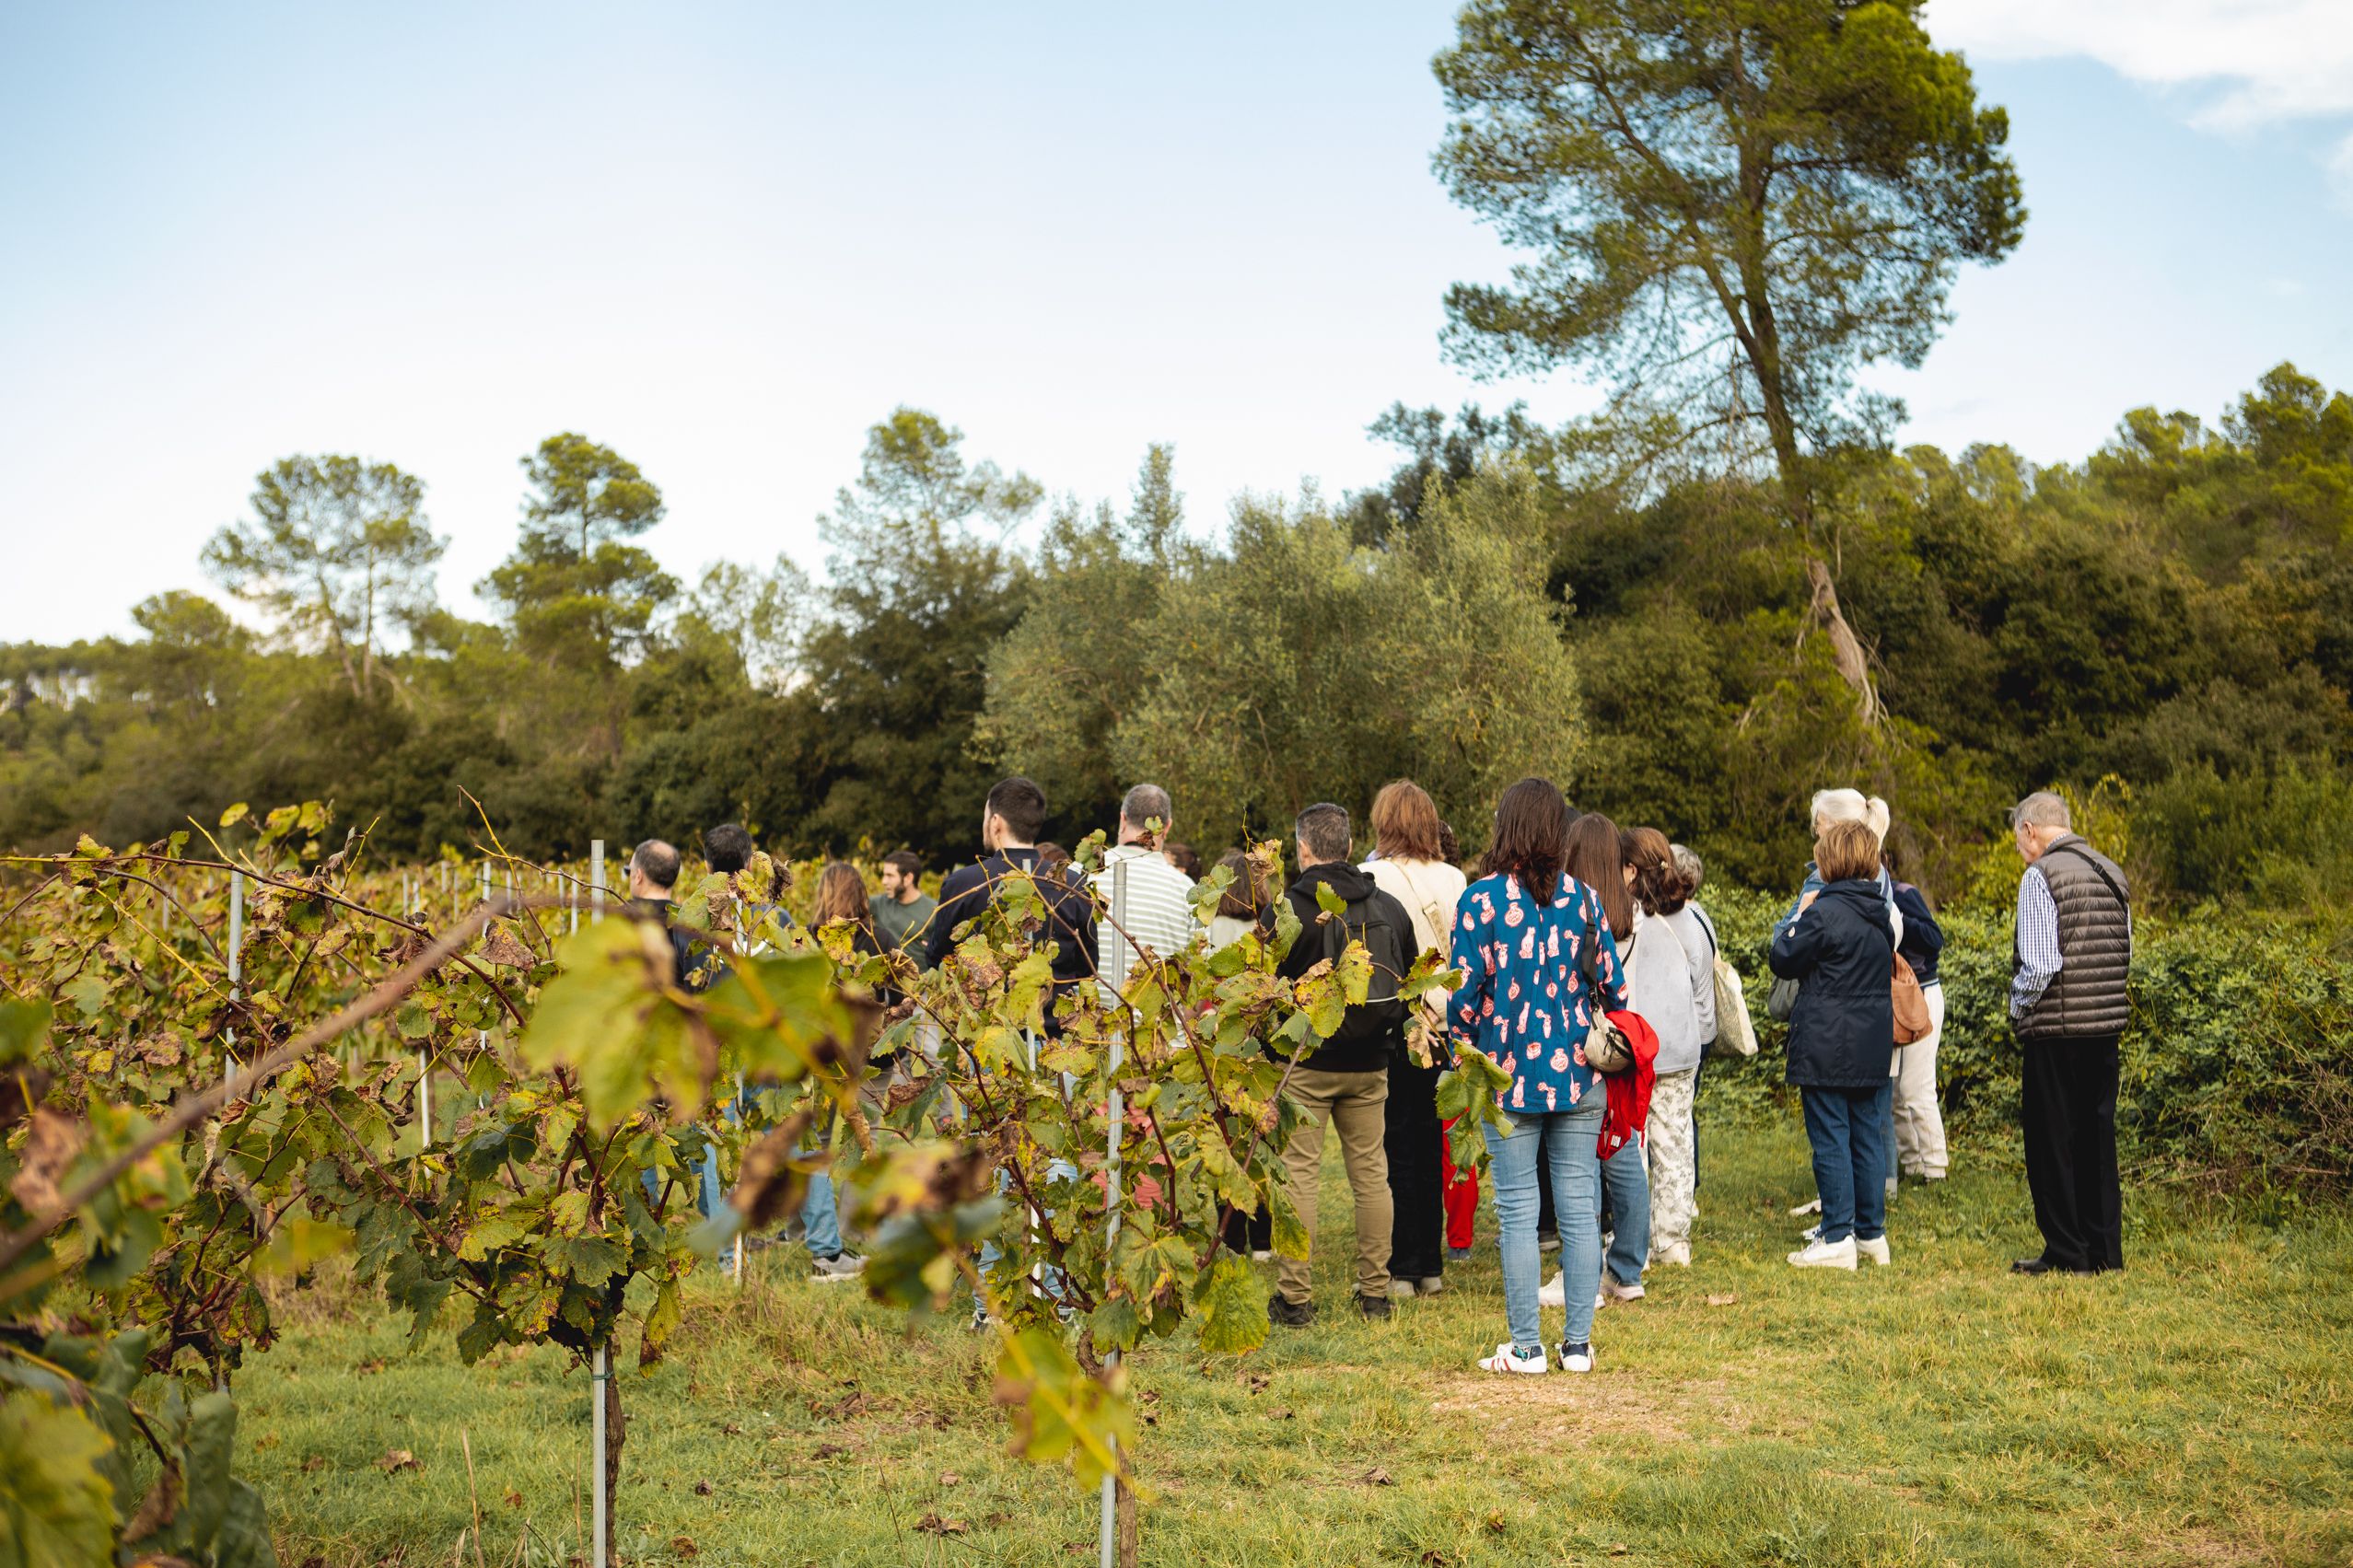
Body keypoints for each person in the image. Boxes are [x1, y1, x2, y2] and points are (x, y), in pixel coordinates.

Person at [1453, 778, 1625, 1375]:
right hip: (1580, 1074)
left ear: (1505, 825)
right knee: (1579, 1210)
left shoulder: (1478, 902)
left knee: (1518, 1211)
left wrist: (1463, 1053)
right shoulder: (1584, 899)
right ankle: (1576, 1345)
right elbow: (1614, 986)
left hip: (1505, 1079)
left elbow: (1462, 1002)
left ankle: (1526, 1346)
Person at [1267, 801, 1413, 1327]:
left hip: (1304, 1060)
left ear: (1303, 850)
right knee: (1372, 1173)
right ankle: (1376, 1293)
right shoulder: (1388, 907)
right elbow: (1409, 977)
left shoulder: (1286, 910)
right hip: (1371, 1061)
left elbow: (1262, 991)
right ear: (1350, 848)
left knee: (1299, 1176)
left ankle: (1295, 1299)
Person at [2008, 791, 2132, 1277]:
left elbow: (2040, 964)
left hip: (2056, 1029)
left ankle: (2067, 1252)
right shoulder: (2111, 871)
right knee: (2097, 1138)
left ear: (2030, 830)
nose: (2019, 849)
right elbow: (2126, 951)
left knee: (2050, 1140)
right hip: (2104, 1026)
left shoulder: (2041, 876)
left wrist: (2017, 1007)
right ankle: (2105, 1254)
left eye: (2018, 839)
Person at [1770, 819, 1897, 1270]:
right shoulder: (1879, 912)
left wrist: (1800, 914)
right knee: (1867, 1135)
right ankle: (1871, 1234)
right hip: (1872, 1039)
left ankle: (1837, 1235)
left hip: (1826, 1041)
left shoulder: (1822, 912)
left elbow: (1783, 958)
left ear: (1830, 861)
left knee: (1830, 1139)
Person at [1360, 780, 1466, 1301]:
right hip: (1443, 1025)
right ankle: (1430, 1263)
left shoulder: (1369, 876)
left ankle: (1402, 1266)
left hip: (1392, 1024)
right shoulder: (1454, 878)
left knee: (1394, 1146)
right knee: (1429, 1142)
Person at [1550, 811, 1648, 1311]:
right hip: (1628, 1043)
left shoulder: (1573, 911)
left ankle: (1578, 1270)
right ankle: (1628, 1267)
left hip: (1587, 1047)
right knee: (1625, 1150)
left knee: (1581, 1161)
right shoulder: (1635, 914)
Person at [925, 776, 1100, 1027]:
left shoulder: (963, 884)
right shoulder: (1072, 885)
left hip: (984, 1039)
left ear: (995, 822)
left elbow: (938, 960)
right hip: (1057, 1044)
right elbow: (1087, 969)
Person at [1624, 827, 1713, 1268]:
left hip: (1638, 1049)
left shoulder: (1623, 919)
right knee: (1676, 1146)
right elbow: (1701, 990)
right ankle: (1673, 1240)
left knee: (1634, 1148)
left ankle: (1631, 1240)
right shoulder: (1693, 922)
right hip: (1681, 1048)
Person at [1204, 848, 1276, 1259]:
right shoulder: (1268, 930)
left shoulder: (1209, 932)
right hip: (1261, 1047)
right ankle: (1263, 1240)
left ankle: (1230, 1235)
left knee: (1225, 1143)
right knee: (1260, 1141)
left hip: (1220, 1049)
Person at [1091, 784, 1197, 994]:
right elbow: (1197, 976)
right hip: (1160, 1024)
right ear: (1167, 827)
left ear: (1122, 819)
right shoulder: (1188, 891)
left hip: (1089, 1023)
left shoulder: (1079, 875)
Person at [1886, 853, 1949, 1184]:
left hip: (1922, 995)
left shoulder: (1904, 894)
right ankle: (1911, 1164)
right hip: (1890, 1001)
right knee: (1894, 1090)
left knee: (1915, 1086)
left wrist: (1897, 919)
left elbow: (1934, 939)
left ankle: (1936, 1168)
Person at [1671, 842, 1718, 1192]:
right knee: (1687, 1111)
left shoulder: (1681, 924)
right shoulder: (1702, 916)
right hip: (1704, 1025)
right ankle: (1690, 1183)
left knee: (1681, 1114)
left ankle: (1687, 1187)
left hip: (1689, 1030)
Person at [872, 850, 937, 961]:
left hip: (921, 978)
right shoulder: (878, 904)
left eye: (890, 876)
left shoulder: (934, 910)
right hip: (885, 976)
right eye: (884, 875)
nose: (884, 881)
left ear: (908, 878)